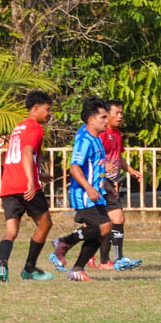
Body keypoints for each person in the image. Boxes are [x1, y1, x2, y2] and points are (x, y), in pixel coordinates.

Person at [49, 98, 112, 281]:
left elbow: (94, 166)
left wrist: (106, 184)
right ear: (91, 120)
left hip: (96, 194)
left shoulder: (95, 138)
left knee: (101, 232)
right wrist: (88, 188)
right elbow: (74, 167)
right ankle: (64, 242)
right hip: (84, 195)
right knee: (104, 226)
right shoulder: (84, 140)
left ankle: (77, 269)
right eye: (103, 117)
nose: (106, 120)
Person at [0, 91, 57, 282]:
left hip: (9, 184)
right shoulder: (34, 127)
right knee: (45, 223)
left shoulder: (19, 127)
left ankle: (2, 266)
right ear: (36, 108)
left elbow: (20, 155)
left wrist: (39, 173)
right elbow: (27, 152)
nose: (49, 114)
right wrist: (31, 180)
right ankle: (29, 268)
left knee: (11, 231)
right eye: (47, 109)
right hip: (25, 184)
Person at [90, 100, 143, 271]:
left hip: (110, 184)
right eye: (117, 113)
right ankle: (89, 254)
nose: (120, 116)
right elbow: (92, 157)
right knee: (97, 223)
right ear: (107, 115)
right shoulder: (101, 134)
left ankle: (117, 258)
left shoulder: (117, 134)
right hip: (98, 182)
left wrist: (131, 170)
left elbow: (118, 157)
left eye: (122, 113)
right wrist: (103, 165)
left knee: (117, 219)